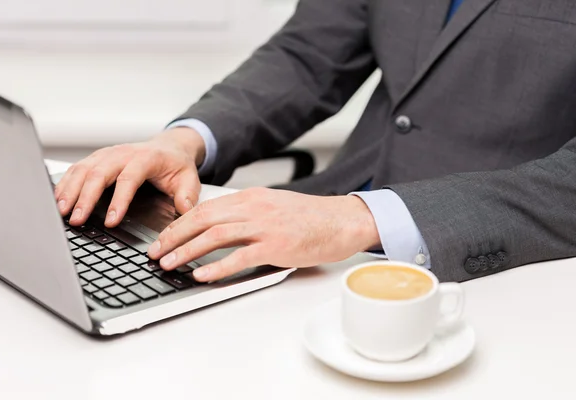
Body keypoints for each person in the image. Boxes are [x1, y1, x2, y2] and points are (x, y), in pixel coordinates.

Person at [55, 0, 576, 283]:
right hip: (320, 222)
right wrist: (185, 141)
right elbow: (308, 56)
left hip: (499, 267)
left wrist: (358, 218)